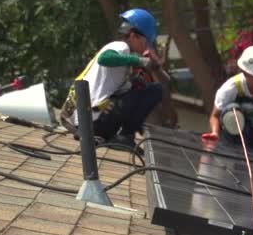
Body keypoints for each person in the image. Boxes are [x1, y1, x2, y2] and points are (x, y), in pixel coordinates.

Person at [60, 8, 172, 149]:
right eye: (145, 41)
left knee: (141, 88)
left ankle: (119, 136)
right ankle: (125, 136)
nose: (146, 47)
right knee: (155, 90)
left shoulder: (123, 59)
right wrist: (140, 61)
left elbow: (116, 91)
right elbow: (104, 59)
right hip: (94, 122)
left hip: (89, 124)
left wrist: (132, 83)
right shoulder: (120, 46)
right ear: (133, 35)